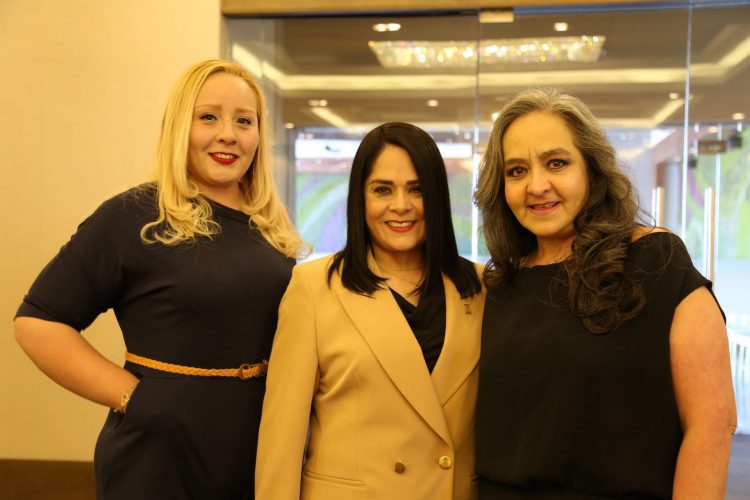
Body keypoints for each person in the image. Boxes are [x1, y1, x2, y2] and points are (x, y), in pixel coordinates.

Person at [14, 59, 308, 500]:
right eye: (208, 117)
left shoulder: (271, 226)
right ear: (178, 126)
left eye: (244, 121)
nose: (228, 134)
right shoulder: (132, 215)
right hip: (157, 459)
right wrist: (134, 398)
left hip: (255, 453)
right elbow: (38, 322)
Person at [473, 88, 737, 499]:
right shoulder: (499, 285)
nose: (537, 186)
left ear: (592, 171)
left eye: (557, 163)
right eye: (517, 171)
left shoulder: (655, 260)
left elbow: (712, 424)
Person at [255, 122, 485, 500]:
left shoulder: (480, 287)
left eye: (417, 189)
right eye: (383, 189)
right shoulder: (313, 288)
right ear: (360, 198)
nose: (401, 205)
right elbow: (282, 438)